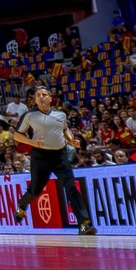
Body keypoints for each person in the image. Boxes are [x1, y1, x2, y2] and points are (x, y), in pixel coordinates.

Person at [12, 85, 97, 235]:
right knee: (35, 189)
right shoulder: (30, 115)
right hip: (40, 156)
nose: (42, 97)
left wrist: (71, 140)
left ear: (51, 98)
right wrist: (32, 142)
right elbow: (17, 135)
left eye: (45, 94)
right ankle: (21, 205)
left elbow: (65, 130)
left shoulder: (60, 115)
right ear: (35, 100)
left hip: (60, 156)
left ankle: (84, 224)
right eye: (39, 95)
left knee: (71, 187)